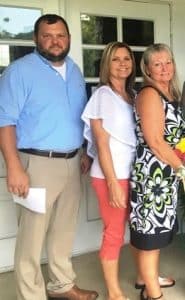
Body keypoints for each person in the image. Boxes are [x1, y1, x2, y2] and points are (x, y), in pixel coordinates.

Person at [0, 14, 98, 300]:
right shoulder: (18, 72)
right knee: (31, 238)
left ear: (68, 38)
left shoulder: (75, 70)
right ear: (35, 39)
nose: (55, 41)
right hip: (35, 164)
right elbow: (5, 121)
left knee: (64, 230)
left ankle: (62, 285)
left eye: (61, 36)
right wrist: (14, 167)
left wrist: (82, 150)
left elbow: (77, 117)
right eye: (47, 35)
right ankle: (31, 296)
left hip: (71, 161)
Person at [130, 43, 185, 300]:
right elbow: (155, 141)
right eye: (157, 64)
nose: (165, 68)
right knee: (151, 233)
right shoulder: (150, 94)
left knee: (158, 231)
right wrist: (181, 167)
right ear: (148, 69)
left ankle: (148, 279)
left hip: (167, 172)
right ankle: (153, 294)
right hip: (154, 174)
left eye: (168, 62)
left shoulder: (169, 92)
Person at [82, 41, 136, 300]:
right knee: (114, 232)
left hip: (132, 173)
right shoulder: (102, 96)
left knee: (136, 228)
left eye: (127, 58)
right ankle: (114, 292)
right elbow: (102, 144)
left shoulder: (132, 96)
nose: (123, 63)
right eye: (116, 59)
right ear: (106, 64)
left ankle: (142, 275)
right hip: (111, 176)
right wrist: (113, 183)